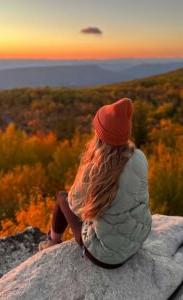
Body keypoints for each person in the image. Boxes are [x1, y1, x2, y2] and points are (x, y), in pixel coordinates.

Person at [38, 98, 152, 269]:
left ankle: (52, 242)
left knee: (62, 198)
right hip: (136, 241)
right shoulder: (140, 157)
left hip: (104, 256)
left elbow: (74, 206)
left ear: (100, 135)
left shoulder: (95, 170)